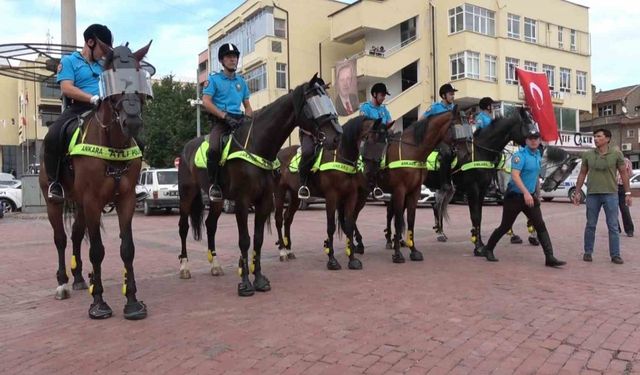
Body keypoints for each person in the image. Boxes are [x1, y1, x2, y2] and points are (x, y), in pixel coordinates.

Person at [43, 24, 113, 202]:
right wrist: (91, 98)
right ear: (90, 42)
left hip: (105, 109)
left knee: (133, 136)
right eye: (102, 47)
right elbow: (66, 87)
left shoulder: (104, 65)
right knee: (53, 135)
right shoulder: (69, 61)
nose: (105, 53)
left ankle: (130, 183)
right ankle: (55, 183)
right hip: (78, 108)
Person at [480, 130, 566, 267]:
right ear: (526, 141)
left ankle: (549, 257)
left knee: (540, 225)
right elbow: (515, 175)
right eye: (530, 138)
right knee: (505, 226)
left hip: (530, 197)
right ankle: (488, 249)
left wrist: (536, 194)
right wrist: (526, 193)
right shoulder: (519, 156)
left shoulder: (538, 155)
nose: (533, 141)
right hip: (514, 197)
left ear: (539, 141)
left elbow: (535, 177)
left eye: (536, 138)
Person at [202, 43, 253, 201]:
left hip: (239, 120)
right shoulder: (213, 80)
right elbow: (206, 102)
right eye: (229, 57)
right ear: (222, 60)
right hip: (221, 121)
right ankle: (214, 185)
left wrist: (248, 118)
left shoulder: (241, 82)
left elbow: (248, 106)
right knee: (214, 149)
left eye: (235, 57)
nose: (233, 59)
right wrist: (224, 116)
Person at [573, 128, 632, 264]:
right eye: (594, 136)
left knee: (612, 225)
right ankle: (588, 252)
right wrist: (577, 192)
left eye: (599, 136)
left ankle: (615, 255)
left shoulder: (616, 154)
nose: (595, 139)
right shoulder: (588, 154)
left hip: (611, 194)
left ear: (607, 139)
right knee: (590, 225)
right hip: (593, 194)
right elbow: (582, 173)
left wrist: (628, 193)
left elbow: (623, 173)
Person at [359, 82, 393, 199]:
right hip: (370, 142)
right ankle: (371, 186)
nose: (383, 98)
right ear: (374, 94)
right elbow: (364, 125)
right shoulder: (365, 108)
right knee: (370, 167)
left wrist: (390, 128)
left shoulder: (384, 109)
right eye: (382, 95)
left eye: (384, 96)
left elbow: (389, 123)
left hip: (384, 139)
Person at [420, 83, 457, 189]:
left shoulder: (454, 108)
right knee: (446, 152)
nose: (453, 96)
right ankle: (444, 182)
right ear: (444, 96)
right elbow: (421, 120)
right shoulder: (435, 107)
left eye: (453, 94)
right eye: (451, 94)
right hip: (437, 139)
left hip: (452, 138)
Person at [617, 157, 635, 237]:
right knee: (612, 210)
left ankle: (629, 230)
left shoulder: (626, 161)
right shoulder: (610, 160)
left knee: (624, 209)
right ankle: (616, 229)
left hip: (622, 187)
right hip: (612, 187)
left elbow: (630, 174)